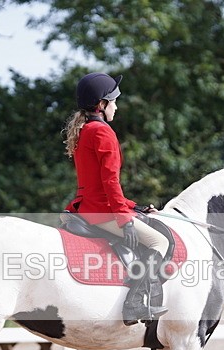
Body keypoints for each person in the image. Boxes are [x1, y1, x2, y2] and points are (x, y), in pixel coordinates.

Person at [63, 72, 169, 325]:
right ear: (101, 104)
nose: (116, 107)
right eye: (114, 102)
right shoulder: (103, 132)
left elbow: (97, 186)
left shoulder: (84, 130)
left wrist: (135, 207)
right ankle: (135, 304)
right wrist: (125, 219)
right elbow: (110, 182)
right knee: (159, 242)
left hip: (85, 206)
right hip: (101, 211)